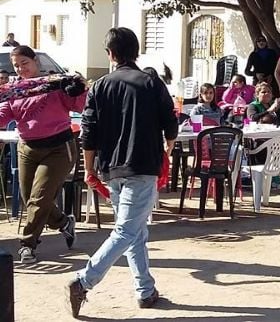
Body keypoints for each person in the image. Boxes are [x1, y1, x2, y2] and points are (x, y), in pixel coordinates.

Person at [68, 27, 178, 316]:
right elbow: (170, 121)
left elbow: (88, 132)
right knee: (127, 230)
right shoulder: (151, 82)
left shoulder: (100, 86)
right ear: (136, 52)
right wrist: (167, 147)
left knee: (135, 231)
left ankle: (145, 290)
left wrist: (89, 168)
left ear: (110, 54)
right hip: (142, 165)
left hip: (110, 168)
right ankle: (83, 281)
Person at [0, 46, 87, 264]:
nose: (21, 69)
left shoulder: (56, 84)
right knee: (30, 198)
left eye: (25, 63)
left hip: (59, 148)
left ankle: (28, 244)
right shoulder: (15, 90)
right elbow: (4, 114)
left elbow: (80, 105)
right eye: (16, 66)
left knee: (39, 198)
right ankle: (63, 222)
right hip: (27, 148)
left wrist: (79, 89)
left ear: (35, 62)